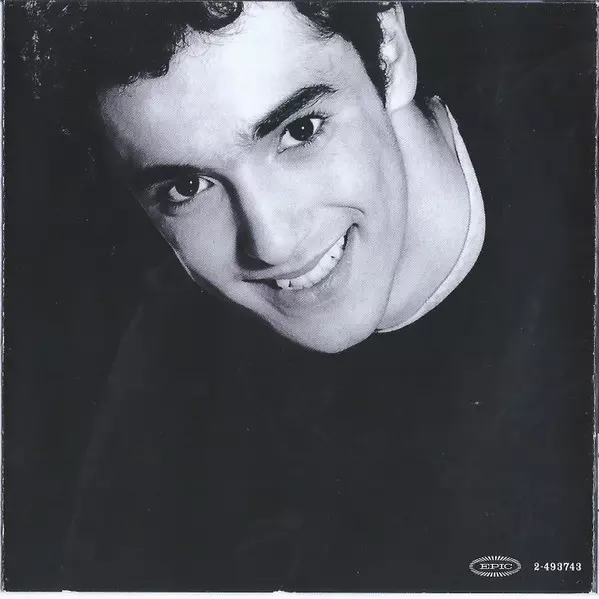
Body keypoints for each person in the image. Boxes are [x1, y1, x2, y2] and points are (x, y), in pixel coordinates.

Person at [5, 0, 595, 591]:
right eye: (187, 186)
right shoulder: (160, 403)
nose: (272, 242)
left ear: (389, 52)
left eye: (300, 131)